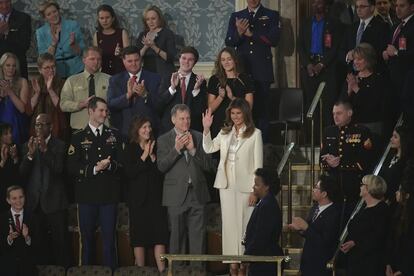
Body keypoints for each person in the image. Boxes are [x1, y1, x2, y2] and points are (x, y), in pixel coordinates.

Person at [202, 98, 263, 276]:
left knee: (245, 226)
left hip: (246, 188)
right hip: (226, 187)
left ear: (245, 113)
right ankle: (232, 264)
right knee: (229, 226)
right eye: (233, 113)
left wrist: (255, 191)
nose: (236, 116)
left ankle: (244, 263)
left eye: (239, 113)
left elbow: (258, 166)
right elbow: (209, 148)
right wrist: (206, 128)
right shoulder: (224, 132)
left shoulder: (255, 134)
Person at [66, 97, 122, 269]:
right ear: (90, 111)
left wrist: (109, 165)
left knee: (109, 241)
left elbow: (122, 164)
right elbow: (71, 166)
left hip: (108, 196)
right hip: (87, 197)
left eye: (106, 111)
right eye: (101, 111)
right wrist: (94, 169)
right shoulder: (78, 137)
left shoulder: (114, 135)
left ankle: (111, 271)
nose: (105, 114)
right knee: (87, 240)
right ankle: (86, 272)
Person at [157, 104, 214, 266]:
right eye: (182, 118)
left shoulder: (199, 136)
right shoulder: (163, 139)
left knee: (199, 238)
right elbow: (161, 166)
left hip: (198, 194)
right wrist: (176, 149)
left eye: (188, 118)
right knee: (177, 239)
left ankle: (197, 271)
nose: (186, 122)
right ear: (173, 119)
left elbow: (209, 166)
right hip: (175, 196)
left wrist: (193, 150)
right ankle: (178, 272)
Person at [225, 0, 280, 141]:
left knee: (262, 111)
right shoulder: (237, 16)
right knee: (242, 110)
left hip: (262, 72)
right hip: (242, 71)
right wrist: (238, 32)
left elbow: (274, 40)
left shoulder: (271, 15)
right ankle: (243, 142)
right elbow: (229, 41)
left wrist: (251, 34)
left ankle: (262, 145)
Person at [19, 113, 69, 267]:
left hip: (55, 203)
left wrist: (45, 150)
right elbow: (22, 174)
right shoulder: (27, 145)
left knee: (60, 245)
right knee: (38, 245)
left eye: (42, 124)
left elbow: (59, 170)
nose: (38, 128)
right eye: (36, 125)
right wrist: (30, 156)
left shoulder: (60, 145)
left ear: (51, 127)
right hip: (35, 203)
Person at [123, 116, 168, 272]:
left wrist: (153, 157)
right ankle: (140, 271)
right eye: (144, 127)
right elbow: (129, 173)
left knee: (160, 236)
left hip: (156, 200)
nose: (148, 130)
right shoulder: (130, 148)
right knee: (139, 239)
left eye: (149, 127)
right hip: (138, 201)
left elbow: (161, 173)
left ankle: (163, 271)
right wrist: (143, 156)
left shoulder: (156, 146)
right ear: (137, 130)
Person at [320, 101, 373, 224]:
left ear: (349, 113)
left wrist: (340, 163)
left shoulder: (361, 131)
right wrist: (329, 163)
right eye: (333, 114)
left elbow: (365, 162)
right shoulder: (328, 131)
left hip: (353, 185)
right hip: (333, 186)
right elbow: (321, 160)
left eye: (339, 113)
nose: (335, 117)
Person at [298, 0, 344, 132]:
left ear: (326, 5)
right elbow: (300, 46)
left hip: (327, 69)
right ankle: (313, 137)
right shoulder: (306, 23)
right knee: (311, 105)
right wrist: (308, 64)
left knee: (328, 104)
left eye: (319, 3)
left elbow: (335, 48)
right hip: (309, 69)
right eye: (313, 3)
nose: (316, 5)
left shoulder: (335, 23)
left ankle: (328, 137)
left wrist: (322, 64)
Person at [289, 175, 340, 276]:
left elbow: (325, 241)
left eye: (316, 187)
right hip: (308, 260)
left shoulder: (333, 213)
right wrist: (300, 229)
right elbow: (310, 232)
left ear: (324, 193)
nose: (313, 190)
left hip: (320, 263)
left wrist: (306, 227)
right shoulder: (315, 208)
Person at [340, 174, 390, 276]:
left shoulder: (381, 210)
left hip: (370, 264)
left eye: (362, 184)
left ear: (368, 188)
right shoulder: (364, 208)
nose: (360, 187)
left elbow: (378, 237)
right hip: (356, 261)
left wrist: (355, 243)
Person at [108, 46, 161, 138]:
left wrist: (145, 95)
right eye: (129, 61)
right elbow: (111, 104)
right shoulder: (115, 80)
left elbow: (160, 105)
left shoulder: (155, 78)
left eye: (136, 60)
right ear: (123, 62)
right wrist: (127, 96)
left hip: (149, 131)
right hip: (125, 131)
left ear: (141, 60)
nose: (133, 64)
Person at [158, 46, 206, 134]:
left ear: (194, 63)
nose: (186, 62)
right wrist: (172, 88)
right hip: (169, 130)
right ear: (179, 59)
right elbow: (159, 104)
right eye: (184, 58)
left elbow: (201, 110)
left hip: (192, 129)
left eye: (190, 59)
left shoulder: (200, 82)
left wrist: (196, 90)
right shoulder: (167, 78)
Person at [244, 168, 283, 276]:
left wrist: (247, 255)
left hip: (264, 262)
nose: (253, 187)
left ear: (266, 187)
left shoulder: (268, 206)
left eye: (257, 184)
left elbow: (261, 236)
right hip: (261, 260)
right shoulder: (264, 203)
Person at [341, 43, 386, 137]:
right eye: (355, 59)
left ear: (368, 60)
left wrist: (356, 89)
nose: (356, 62)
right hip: (352, 126)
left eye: (359, 59)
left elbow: (373, 105)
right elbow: (342, 104)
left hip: (371, 127)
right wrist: (349, 91)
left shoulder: (377, 79)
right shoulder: (352, 78)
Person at [207, 47, 254, 137]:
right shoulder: (214, 79)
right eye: (223, 60)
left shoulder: (245, 79)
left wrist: (232, 98)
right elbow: (210, 109)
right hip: (219, 124)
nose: (226, 62)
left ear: (235, 60)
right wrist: (220, 97)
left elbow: (249, 107)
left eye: (229, 59)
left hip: (239, 123)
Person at [60, 47, 110, 131]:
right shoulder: (72, 81)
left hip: (104, 128)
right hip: (80, 128)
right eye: (92, 59)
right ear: (84, 60)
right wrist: (81, 105)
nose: (96, 62)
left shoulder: (110, 80)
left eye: (99, 59)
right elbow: (63, 105)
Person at [36, 0, 85, 78]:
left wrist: (73, 45)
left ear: (58, 11)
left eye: (54, 11)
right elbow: (44, 59)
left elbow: (81, 52)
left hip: (76, 69)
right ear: (45, 18)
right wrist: (54, 43)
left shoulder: (73, 25)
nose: (53, 15)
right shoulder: (40, 32)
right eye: (49, 14)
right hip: (56, 72)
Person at [382, 0, 414, 120]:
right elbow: (391, 46)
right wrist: (386, 53)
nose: (398, 9)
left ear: (412, 7)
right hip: (393, 79)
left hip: (407, 81)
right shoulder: (397, 25)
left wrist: (396, 53)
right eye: (396, 6)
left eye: (402, 6)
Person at [28, 53, 68, 141]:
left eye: (53, 66)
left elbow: (62, 108)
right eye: (47, 67)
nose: (51, 70)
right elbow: (29, 110)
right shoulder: (35, 83)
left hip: (57, 126)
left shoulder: (63, 83)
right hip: (37, 128)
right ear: (40, 70)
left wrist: (50, 90)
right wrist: (37, 93)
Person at [341, 0, 389, 72]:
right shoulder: (351, 27)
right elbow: (342, 49)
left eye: (362, 6)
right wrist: (348, 56)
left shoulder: (382, 27)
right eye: (357, 7)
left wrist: (360, 56)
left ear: (372, 8)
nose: (359, 9)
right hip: (352, 73)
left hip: (372, 72)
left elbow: (381, 51)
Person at [0, 185, 38, 276]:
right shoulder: (1, 219)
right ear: (8, 200)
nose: (18, 201)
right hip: (7, 269)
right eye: (14, 198)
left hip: (28, 269)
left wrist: (27, 238)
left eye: (21, 197)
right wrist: (9, 239)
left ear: (25, 197)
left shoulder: (34, 218)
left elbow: (40, 246)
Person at [386, 163, 414, 276]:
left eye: (399, 190)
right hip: (394, 265)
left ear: (407, 195)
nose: (396, 193)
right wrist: (388, 264)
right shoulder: (397, 213)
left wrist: (403, 269)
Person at [136, 5, 176, 78]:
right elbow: (137, 57)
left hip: (165, 74)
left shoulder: (167, 33)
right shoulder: (142, 34)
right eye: (147, 19)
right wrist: (146, 46)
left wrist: (154, 47)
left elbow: (170, 58)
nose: (150, 22)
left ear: (160, 19)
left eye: (153, 18)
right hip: (148, 73)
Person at [0, 52, 29, 144]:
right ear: (2, 66)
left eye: (13, 65)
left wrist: (10, 92)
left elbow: (22, 109)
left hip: (17, 125)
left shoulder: (22, 81)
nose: (11, 68)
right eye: (8, 65)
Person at [93, 4, 130, 75]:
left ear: (113, 18)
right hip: (103, 71)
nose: (105, 21)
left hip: (120, 70)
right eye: (102, 18)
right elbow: (96, 56)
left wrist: (120, 53)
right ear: (98, 19)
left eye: (107, 17)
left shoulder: (122, 32)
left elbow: (129, 55)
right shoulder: (97, 35)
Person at [0, 0, 31, 79]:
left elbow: (25, 45)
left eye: (7, 2)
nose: (4, 6)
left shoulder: (24, 18)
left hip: (18, 71)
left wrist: (8, 32)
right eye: (0, 2)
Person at [380, 126, 411, 203]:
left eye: (395, 137)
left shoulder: (407, 162)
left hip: (395, 201)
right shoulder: (390, 157)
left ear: (403, 140)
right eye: (392, 136)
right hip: (382, 198)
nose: (391, 139)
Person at [0, 123, 19, 212]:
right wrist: (3, 162)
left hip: (13, 192)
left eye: (10, 132)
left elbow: (19, 174)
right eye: (6, 133)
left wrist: (15, 158)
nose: (10, 135)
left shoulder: (15, 148)